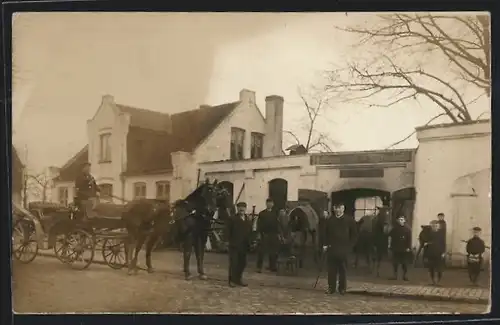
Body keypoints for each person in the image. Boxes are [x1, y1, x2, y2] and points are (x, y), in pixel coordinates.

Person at [322, 202, 357, 295]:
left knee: (343, 270)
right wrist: (325, 244)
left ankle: (342, 288)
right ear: (334, 209)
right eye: (336, 208)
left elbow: (354, 235)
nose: (338, 210)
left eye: (340, 208)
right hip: (332, 248)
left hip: (343, 249)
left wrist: (350, 246)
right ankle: (331, 288)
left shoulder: (349, 220)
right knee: (331, 270)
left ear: (343, 209)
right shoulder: (330, 220)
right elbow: (325, 234)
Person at [226, 201, 253, 287]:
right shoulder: (232, 219)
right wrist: (227, 241)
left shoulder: (248, 219)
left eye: (243, 207)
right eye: (240, 207)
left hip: (244, 245)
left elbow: (250, 232)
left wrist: (251, 242)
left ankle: (238, 279)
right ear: (237, 208)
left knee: (242, 263)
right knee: (234, 263)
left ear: (245, 209)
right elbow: (227, 231)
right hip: (234, 244)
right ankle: (231, 280)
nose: (242, 209)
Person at [256, 198, 280, 273]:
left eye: (271, 203)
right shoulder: (262, 213)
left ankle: (272, 266)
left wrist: (278, 234)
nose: (269, 204)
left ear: (273, 204)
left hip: (273, 234)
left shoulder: (275, 213)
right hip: (264, 234)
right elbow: (258, 224)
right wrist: (259, 234)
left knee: (273, 251)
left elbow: (277, 224)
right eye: (268, 203)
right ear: (266, 204)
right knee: (261, 251)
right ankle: (259, 267)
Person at [388, 216, 412, 281]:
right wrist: (389, 245)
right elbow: (390, 237)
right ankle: (395, 275)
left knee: (404, 263)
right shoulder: (394, 229)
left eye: (402, 219)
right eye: (399, 220)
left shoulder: (407, 229)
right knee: (395, 263)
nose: (400, 221)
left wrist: (408, 247)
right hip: (396, 248)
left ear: (404, 220)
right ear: (398, 221)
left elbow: (409, 239)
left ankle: (404, 276)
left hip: (404, 249)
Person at [426, 220, 446, 285]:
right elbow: (425, 243)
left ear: (438, 226)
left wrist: (443, 252)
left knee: (439, 268)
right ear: (431, 226)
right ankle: (432, 280)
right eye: (433, 226)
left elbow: (443, 244)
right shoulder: (429, 234)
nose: (435, 227)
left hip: (439, 253)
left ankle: (438, 280)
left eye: (436, 226)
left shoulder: (441, 234)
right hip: (431, 253)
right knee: (431, 268)